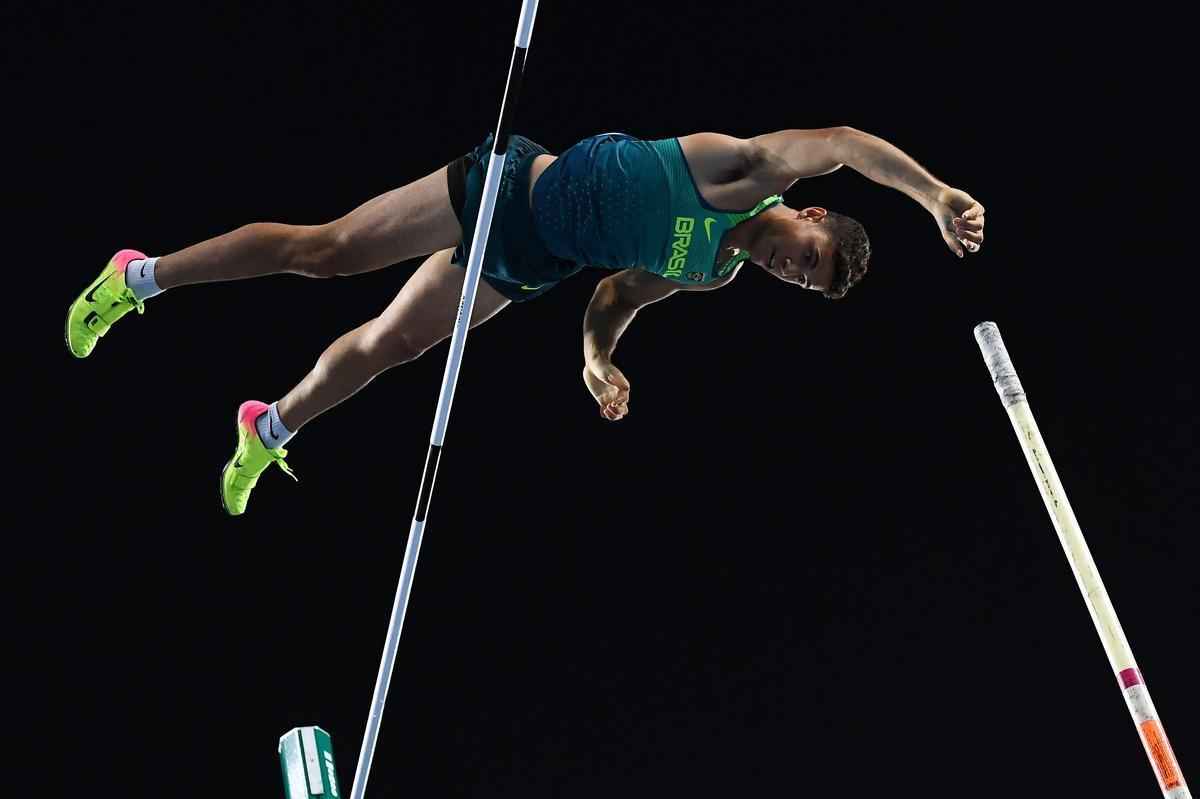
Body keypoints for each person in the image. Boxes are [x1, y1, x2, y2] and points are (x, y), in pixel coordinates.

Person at [65, 126, 985, 515]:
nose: (789, 267)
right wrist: (933, 193)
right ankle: (139, 276)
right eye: (804, 255)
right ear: (811, 216)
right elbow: (848, 145)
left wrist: (596, 362)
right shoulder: (748, 170)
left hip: (533, 264)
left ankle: (268, 426)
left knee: (390, 347)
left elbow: (617, 296)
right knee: (327, 250)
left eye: (800, 282)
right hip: (511, 188)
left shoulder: (710, 272)